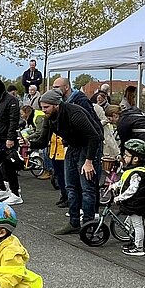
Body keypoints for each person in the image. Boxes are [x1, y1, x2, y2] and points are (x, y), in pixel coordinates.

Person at [39, 90, 103, 233]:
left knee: (87, 188)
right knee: (70, 187)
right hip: (73, 146)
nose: (43, 111)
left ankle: (89, 224)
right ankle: (74, 223)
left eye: (46, 107)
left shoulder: (74, 113)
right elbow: (43, 140)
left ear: (56, 104)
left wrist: (89, 161)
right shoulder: (49, 118)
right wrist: (27, 144)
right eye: (42, 107)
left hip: (89, 146)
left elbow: (94, 136)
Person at [113, 139, 145, 257]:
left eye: (127, 155)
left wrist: (120, 197)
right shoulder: (132, 171)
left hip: (137, 204)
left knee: (137, 226)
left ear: (135, 159)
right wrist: (115, 185)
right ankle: (133, 242)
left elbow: (132, 190)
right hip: (133, 204)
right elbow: (124, 182)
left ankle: (139, 247)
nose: (124, 157)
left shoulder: (137, 173)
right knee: (131, 223)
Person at [0, 78, 23, 205]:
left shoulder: (11, 101)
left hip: (7, 140)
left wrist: (10, 138)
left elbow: (13, 121)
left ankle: (16, 193)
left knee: (9, 167)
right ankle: (2, 188)